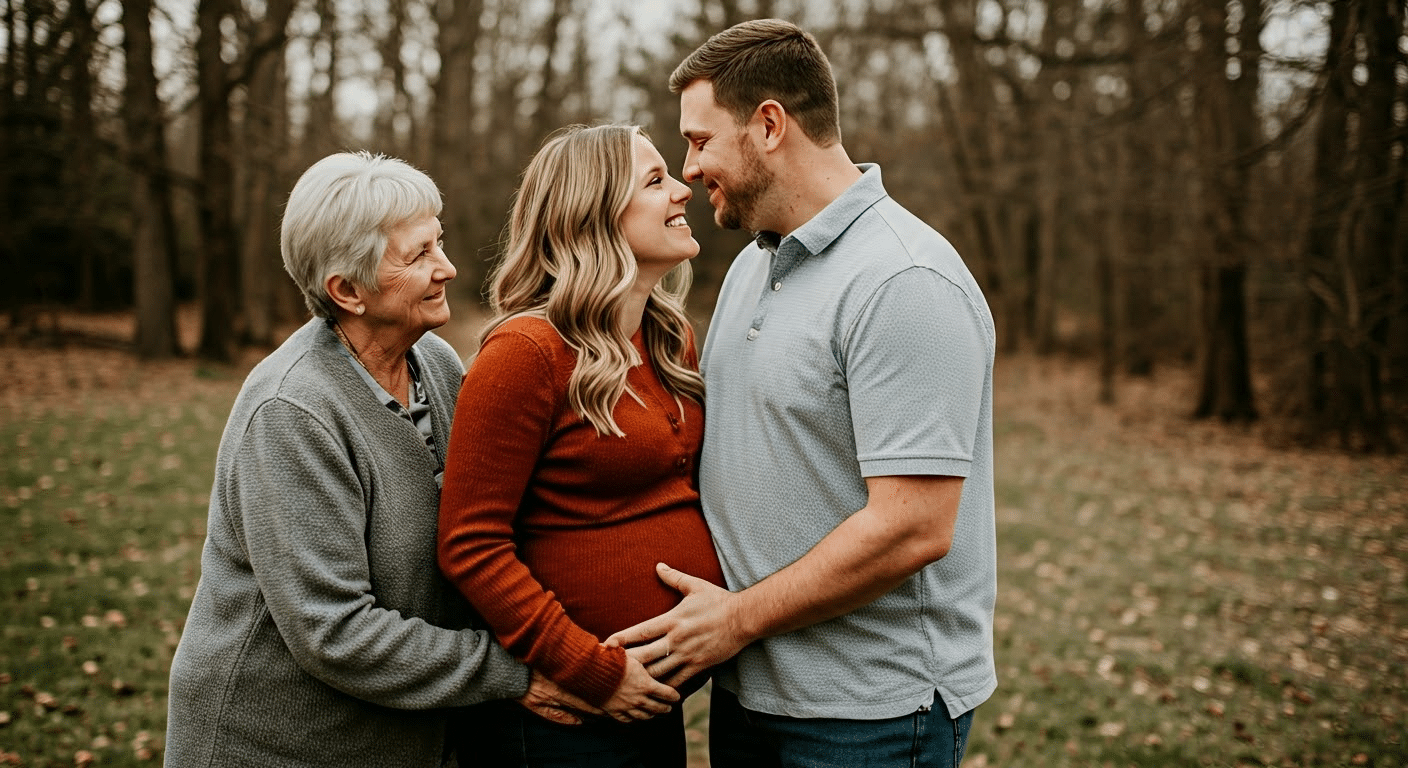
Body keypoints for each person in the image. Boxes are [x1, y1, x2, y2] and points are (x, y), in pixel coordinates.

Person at [607, 19, 998, 768]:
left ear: (769, 125)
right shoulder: (758, 261)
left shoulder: (903, 281)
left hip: (870, 713)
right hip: (753, 692)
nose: (689, 169)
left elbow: (914, 525)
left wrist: (735, 621)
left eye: (699, 140)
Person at [164, 151, 596, 768]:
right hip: (274, 745)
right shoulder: (293, 411)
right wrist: (512, 673)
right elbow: (333, 631)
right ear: (347, 290)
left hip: (395, 741)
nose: (446, 267)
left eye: (438, 243)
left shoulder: (439, 366)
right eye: (417, 255)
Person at [436, 124, 727, 768]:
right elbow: (470, 543)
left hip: (651, 708)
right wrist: (592, 671)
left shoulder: (669, 339)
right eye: (655, 182)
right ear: (592, 216)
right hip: (564, 722)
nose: (684, 190)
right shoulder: (525, 353)